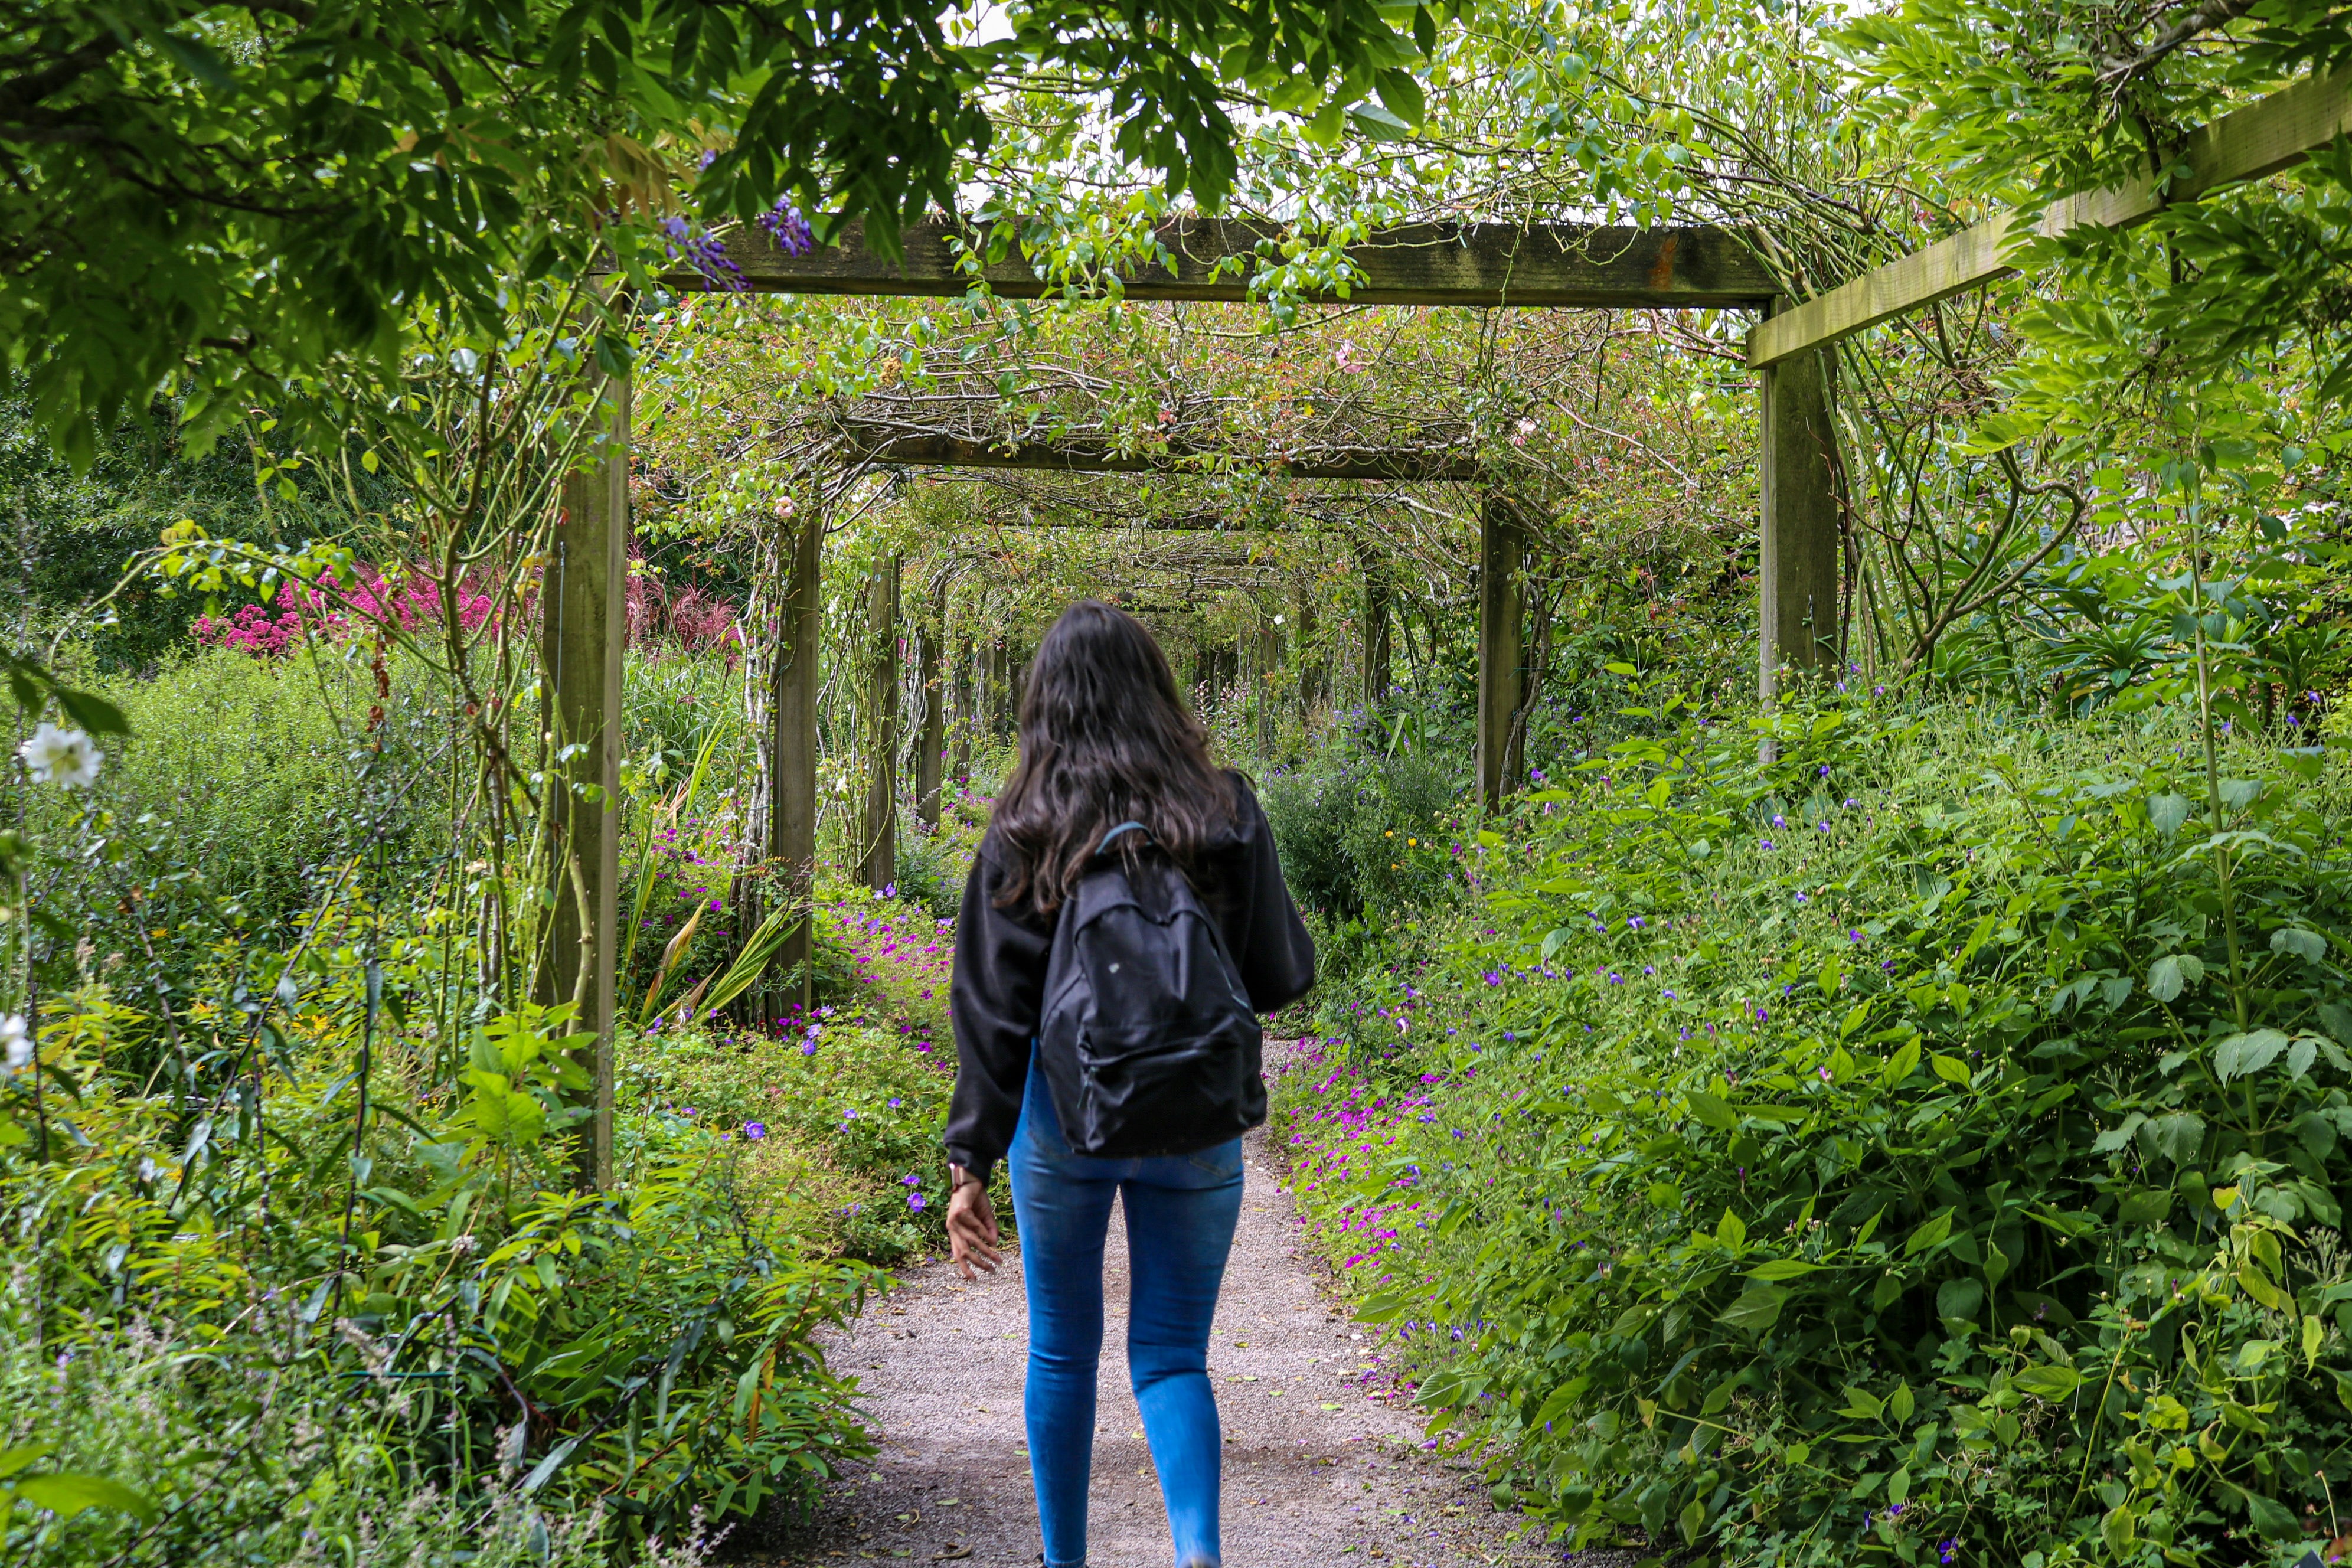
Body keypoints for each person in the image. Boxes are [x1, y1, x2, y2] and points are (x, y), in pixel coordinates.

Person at [942, 599, 1315, 1568]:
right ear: (1160, 693)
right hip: (1197, 1124)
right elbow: (1279, 978)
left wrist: (968, 1165)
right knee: (1172, 1356)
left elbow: (991, 1017)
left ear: (1045, 706)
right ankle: (1198, 1554)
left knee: (1063, 1351)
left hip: (1059, 1127)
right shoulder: (1224, 813)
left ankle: (1065, 1562)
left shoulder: (1024, 833)